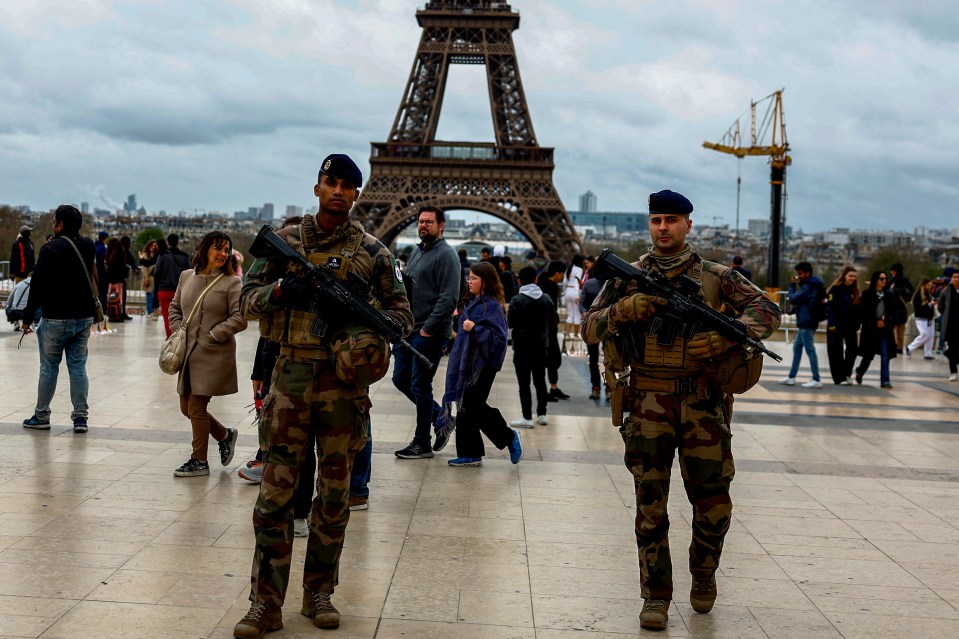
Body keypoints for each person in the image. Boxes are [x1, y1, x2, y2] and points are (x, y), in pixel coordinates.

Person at [582, 189, 781, 631]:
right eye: (657, 220)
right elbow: (590, 327)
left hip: (703, 404)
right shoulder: (627, 277)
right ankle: (655, 596)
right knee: (650, 506)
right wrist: (624, 309)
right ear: (648, 224)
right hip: (647, 400)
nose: (663, 228)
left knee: (714, 504)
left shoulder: (716, 277)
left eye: (672, 220)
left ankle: (704, 570)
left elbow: (768, 309)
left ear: (688, 225)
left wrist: (730, 336)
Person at [234, 154, 412, 637]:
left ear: (357, 194)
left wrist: (368, 330)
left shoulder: (375, 253)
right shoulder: (285, 243)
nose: (338, 191)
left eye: (347, 186)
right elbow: (247, 300)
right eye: (330, 182)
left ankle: (319, 593)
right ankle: (264, 604)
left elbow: (401, 315)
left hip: (342, 386)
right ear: (317, 188)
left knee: (334, 497)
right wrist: (284, 290)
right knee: (275, 497)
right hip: (289, 376)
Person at [168, 231, 246, 477]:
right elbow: (174, 307)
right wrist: (178, 329)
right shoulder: (186, 276)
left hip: (213, 354)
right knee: (186, 407)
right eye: (218, 248)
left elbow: (240, 317)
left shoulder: (232, 282)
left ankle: (199, 460)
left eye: (227, 250)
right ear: (205, 249)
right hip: (189, 353)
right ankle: (225, 435)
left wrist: (215, 334)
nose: (223, 254)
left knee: (197, 406)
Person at [21, 205, 98, 433]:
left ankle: (42, 415)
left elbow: (38, 285)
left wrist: (27, 317)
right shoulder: (88, 246)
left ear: (60, 224)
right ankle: (80, 418)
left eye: (54, 220)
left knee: (48, 368)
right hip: (83, 316)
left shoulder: (50, 249)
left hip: (55, 316)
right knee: (78, 367)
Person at [393, 204, 462, 459]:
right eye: (421, 221)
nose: (423, 225)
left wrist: (429, 330)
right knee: (400, 379)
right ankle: (440, 418)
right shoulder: (417, 252)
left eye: (429, 222)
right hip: (409, 329)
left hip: (429, 332)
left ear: (441, 225)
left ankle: (422, 442)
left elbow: (449, 297)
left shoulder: (446, 255)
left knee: (420, 385)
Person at [436, 261, 522, 467]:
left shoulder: (492, 306)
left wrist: (475, 328)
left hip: (482, 366)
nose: (469, 282)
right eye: (469, 278)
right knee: (466, 405)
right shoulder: (473, 302)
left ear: (486, 281)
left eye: (474, 278)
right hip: (467, 364)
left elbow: (500, 340)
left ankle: (509, 436)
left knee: (472, 404)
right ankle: (470, 452)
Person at [508, 266, 552, 428]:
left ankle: (527, 416)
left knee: (524, 384)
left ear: (519, 282)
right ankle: (542, 414)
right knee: (540, 381)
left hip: (522, 347)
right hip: (541, 346)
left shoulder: (516, 300)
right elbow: (552, 322)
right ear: (535, 280)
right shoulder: (546, 299)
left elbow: (510, 323)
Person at [854, 271, 905, 389]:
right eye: (881, 279)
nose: (884, 281)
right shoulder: (867, 295)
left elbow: (893, 312)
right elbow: (863, 313)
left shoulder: (889, 295)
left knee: (885, 355)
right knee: (868, 355)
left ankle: (885, 380)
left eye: (885, 279)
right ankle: (860, 371)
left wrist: (886, 322)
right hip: (871, 330)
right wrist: (875, 321)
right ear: (875, 280)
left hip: (885, 331)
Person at [779, 262, 825, 388]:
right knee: (797, 348)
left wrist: (792, 285)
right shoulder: (812, 285)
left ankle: (816, 379)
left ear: (807, 273)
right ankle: (791, 377)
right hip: (806, 320)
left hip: (807, 321)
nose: (797, 276)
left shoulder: (809, 286)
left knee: (810, 349)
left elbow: (794, 298)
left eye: (800, 274)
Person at [537, 260, 570, 400]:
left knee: (552, 358)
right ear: (557, 273)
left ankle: (552, 388)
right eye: (562, 274)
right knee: (552, 358)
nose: (563, 277)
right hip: (547, 329)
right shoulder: (549, 287)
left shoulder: (544, 285)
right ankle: (549, 389)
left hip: (547, 327)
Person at [825, 266, 861, 384]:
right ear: (844, 276)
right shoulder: (835, 289)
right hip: (836, 325)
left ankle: (846, 373)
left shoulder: (855, 291)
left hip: (850, 326)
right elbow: (830, 308)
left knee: (853, 350)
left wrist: (857, 323)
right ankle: (839, 377)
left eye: (854, 276)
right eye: (850, 276)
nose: (852, 278)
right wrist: (831, 324)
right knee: (836, 352)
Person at [153, 233, 192, 337]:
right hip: (180, 291)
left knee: (167, 317)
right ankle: (178, 337)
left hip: (164, 290)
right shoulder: (185, 256)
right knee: (180, 317)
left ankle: (170, 338)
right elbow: (190, 273)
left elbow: (156, 274)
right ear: (178, 242)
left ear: (168, 242)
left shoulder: (163, 255)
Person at [579, 256, 604, 399]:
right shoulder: (591, 284)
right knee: (603, 360)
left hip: (596, 325)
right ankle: (604, 388)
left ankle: (598, 388)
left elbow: (582, 303)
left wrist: (584, 312)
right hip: (600, 325)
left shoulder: (589, 284)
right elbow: (581, 304)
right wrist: (583, 312)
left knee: (597, 360)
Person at [906, 278, 937, 360]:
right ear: (923, 285)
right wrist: (931, 304)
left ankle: (928, 353)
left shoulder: (929, 294)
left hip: (930, 317)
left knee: (931, 336)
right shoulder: (918, 295)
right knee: (925, 334)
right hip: (921, 318)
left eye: (931, 285)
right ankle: (910, 347)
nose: (930, 287)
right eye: (928, 285)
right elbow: (919, 308)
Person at [888, 263, 914, 354]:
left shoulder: (893, 282)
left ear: (895, 271)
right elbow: (911, 293)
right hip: (903, 308)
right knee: (901, 329)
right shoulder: (906, 282)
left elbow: (888, 292)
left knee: (894, 328)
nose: (891, 272)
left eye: (892, 271)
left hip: (894, 308)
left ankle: (895, 345)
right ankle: (900, 347)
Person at [564, 254, 585, 355]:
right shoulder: (579, 269)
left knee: (570, 314)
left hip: (567, 290)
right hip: (574, 291)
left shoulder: (569, 268)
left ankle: (567, 333)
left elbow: (564, 281)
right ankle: (576, 334)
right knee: (576, 314)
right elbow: (577, 283)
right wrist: (577, 295)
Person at [940, 270, 959, 381]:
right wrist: (946, 315)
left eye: (958, 277)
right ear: (951, 278)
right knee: (952, 349)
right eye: (954, 277)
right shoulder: (945, 291)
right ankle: (953, 372)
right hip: (950, 326)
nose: (957, 279)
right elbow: (940, 306)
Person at [105, 237, 129, 322]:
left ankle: (112, 314)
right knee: (120, 298)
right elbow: (123, 267)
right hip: (120, 280)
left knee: (112, 298)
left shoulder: (109, 256)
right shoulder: (120, 254)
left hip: (111, 281)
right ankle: (119, 314)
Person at [139, 239, 160, 318]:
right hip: (149, 276)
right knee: (150, 295)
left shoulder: (155, 255)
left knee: (153, 295)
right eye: (151, 245)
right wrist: (146, 278)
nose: (153, 247)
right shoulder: (146, 254)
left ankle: (151, 311)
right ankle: (149, 311)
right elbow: (144, 268)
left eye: (154, 245)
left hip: (154, 277)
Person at [94, 230, 109, 311]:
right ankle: (103, 307)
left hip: (96, 271)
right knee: (103, 291)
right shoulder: (103, 248)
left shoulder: (95, 246)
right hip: (102, 273)